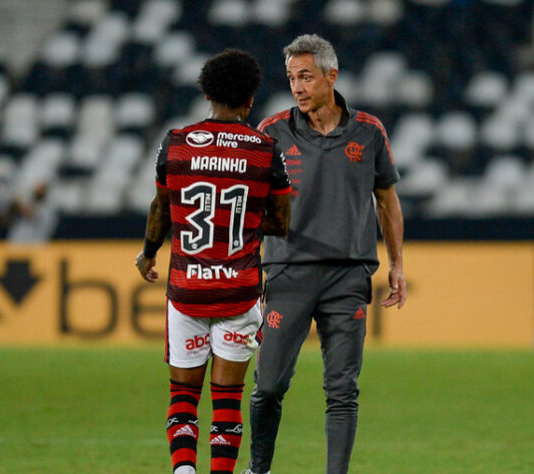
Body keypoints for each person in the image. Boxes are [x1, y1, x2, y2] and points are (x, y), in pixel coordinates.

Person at [245, 34, 408, 474]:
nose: (297, 87)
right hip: (287, 273)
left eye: (305, 76)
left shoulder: (369, 132)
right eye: (291, 78)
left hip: (348, 277)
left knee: (342, 389)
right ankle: (258, 468)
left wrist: (396, 265)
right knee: (270, 384)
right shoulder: (272, 131)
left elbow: (388, 201)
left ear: (330, 76)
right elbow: (250, 200)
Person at [135, 48, 292, 474]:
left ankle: (183, 471)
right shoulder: (265, 150)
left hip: (187, 288)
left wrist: (149, 254)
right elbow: (280, 222)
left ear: (207, 95)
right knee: (227, 399)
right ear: (250, 100)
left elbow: (160, 209)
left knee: (183, 396)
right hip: (238, 291)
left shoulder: (176, 143)